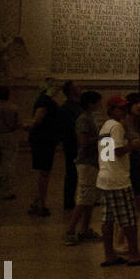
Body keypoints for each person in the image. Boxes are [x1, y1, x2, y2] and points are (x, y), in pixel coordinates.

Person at [96, 95, 140, 268]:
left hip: (105, 175)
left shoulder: (105, 126)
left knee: (108, 219)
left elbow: (106, 153)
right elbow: (117, 150)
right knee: (129, 218)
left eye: (124, 108)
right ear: (112, 110)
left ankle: (109, 254)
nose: (122, 111)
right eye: (119, 108)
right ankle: (134, 254)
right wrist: (133, 145)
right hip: (118, 179)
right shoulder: (117, 126)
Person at [65, 90, 104, 246]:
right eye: (98, 101)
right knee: (83, 197)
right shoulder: (84, 119)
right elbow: (83, 141)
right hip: (86, 163)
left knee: (90, 198)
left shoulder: (90, 118)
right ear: (91, 103)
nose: (100, 104)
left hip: (92, 162)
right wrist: (100, 138)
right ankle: (70, 230)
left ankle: (85, 229)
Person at [27, 78, 61, 216]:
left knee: (43, 171)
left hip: (44, 139)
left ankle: (37, 201)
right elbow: (38, 118)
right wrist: (29, 126)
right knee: (44, 172)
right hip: (44, 140)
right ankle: (41, 202)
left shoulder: (42, 100)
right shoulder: (44, 101)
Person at [56, 80, 83, 212]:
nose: (81, 88)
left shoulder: (78, 106)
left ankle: (80, 199)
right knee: (72, 173)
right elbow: (69, 128)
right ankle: (69, 200)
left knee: (81, 173)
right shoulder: (67, 108)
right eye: (78, 87)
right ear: (72, 91)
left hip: (77, 143)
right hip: (73, 144)